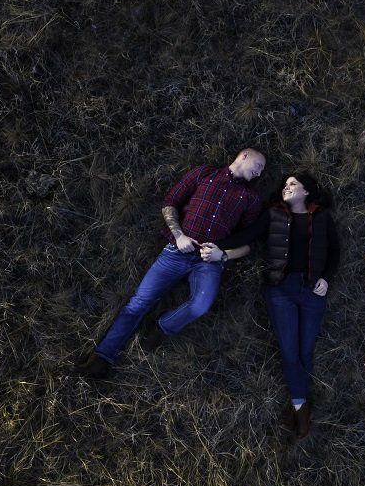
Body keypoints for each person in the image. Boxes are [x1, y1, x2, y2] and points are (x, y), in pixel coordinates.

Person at [73, 148, 266, 379]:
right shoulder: (204, 173)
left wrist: (221, 256)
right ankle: (101, 358)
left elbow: (247, 244)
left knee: (200, 306)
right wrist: (179, 235)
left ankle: (163, 327)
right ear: (244, 156)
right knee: (137, 303)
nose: (260, 172)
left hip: (208, 262)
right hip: (176, 251)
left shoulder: (251, 199)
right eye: (259, 165)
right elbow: (170, 203)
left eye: (262, 171)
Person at [199, 173, 339, 439]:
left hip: (312, 291)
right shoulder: (273, 214)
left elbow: (335, 251)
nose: (286, 186)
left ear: (307, 191)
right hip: (280, 290)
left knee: (305, 350)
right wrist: (216, 245)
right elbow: (248, 235)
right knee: (289, 350)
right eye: (285, 183)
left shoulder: (321, 218)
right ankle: (301, 407)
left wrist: (326, 278)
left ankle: (299, 406)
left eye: (293, 184)